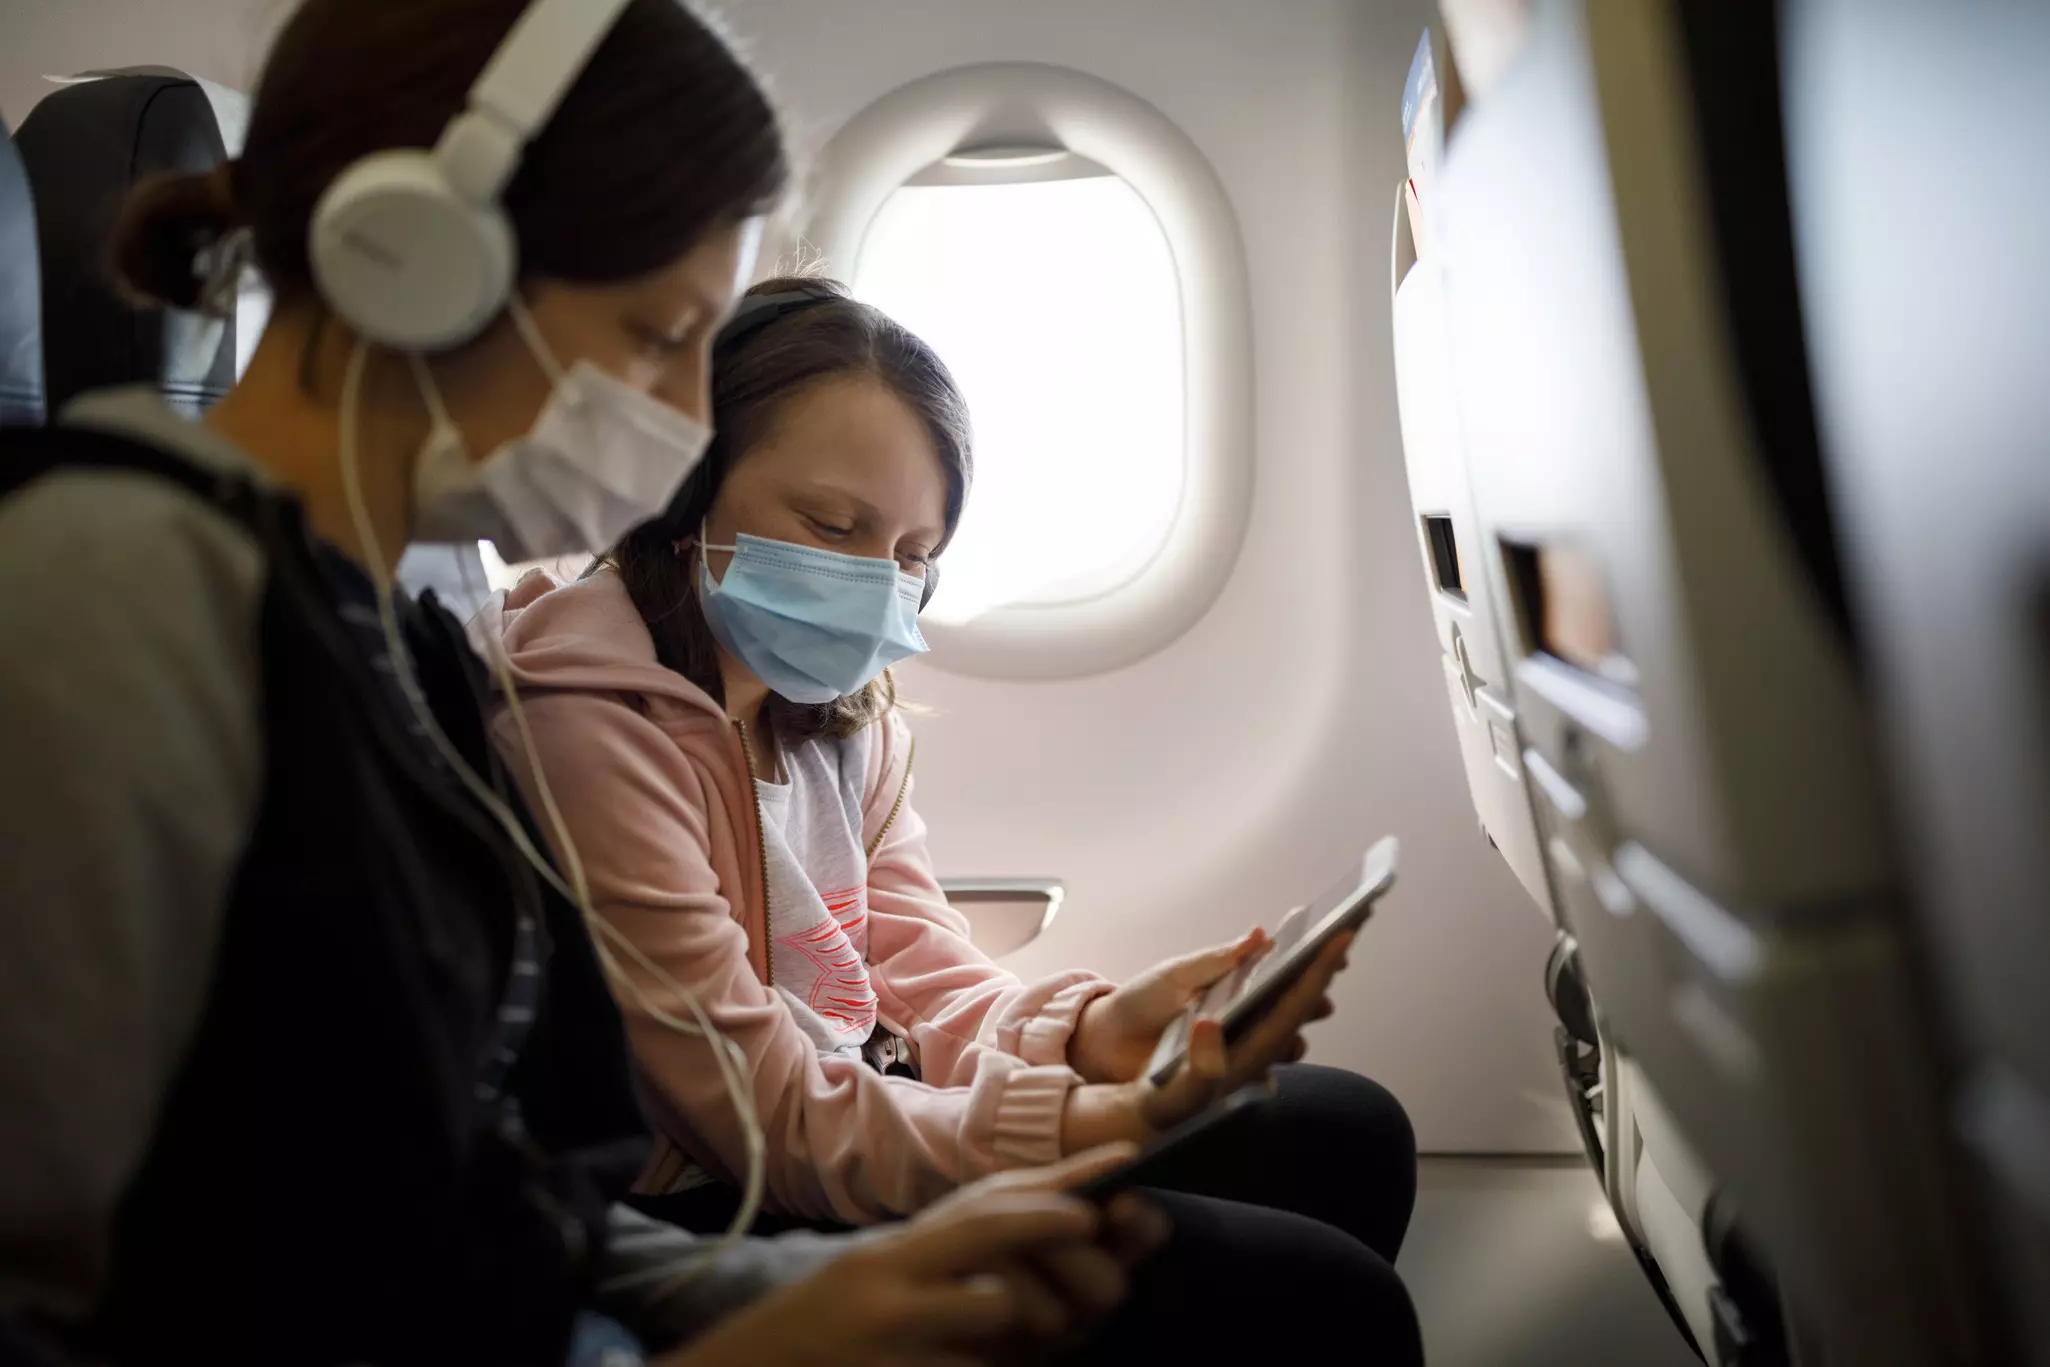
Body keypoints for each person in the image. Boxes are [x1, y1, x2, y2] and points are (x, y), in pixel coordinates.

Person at [0, 1, 1171, 1363]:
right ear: (422, 261)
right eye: (658, 334)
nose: (687, 423)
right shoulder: (111, 601)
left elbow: (474, 1202)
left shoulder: (396, 628)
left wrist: (775, 1306)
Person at [483, 277, 1425, 1359]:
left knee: (1349, 1130)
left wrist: (1091, 1033)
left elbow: (921, 975)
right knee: (1326, 1300)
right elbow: (766, 1118)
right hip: (721, 1188)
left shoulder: (834, 717)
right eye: (831, 524)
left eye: (910, 556)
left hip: (860, 1111)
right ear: (686, 488)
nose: (874, 584)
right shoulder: (589, 725)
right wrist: (1075, 1121)